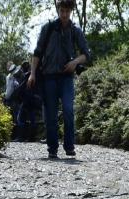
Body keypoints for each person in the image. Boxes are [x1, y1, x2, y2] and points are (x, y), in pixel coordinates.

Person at [27, 0, 91, 159]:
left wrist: (75, 62)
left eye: (67, 11)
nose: (64, 14)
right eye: (62, 11)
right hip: (48, 77)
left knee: (69, 110)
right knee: (51, 115)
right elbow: (37, 52)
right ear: (58, 10)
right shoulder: (47, 28)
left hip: (67, 78)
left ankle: (69, 146)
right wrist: (32, 73)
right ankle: (52, 148)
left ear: (71, 11)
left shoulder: (76, 30)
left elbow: (86, 54)